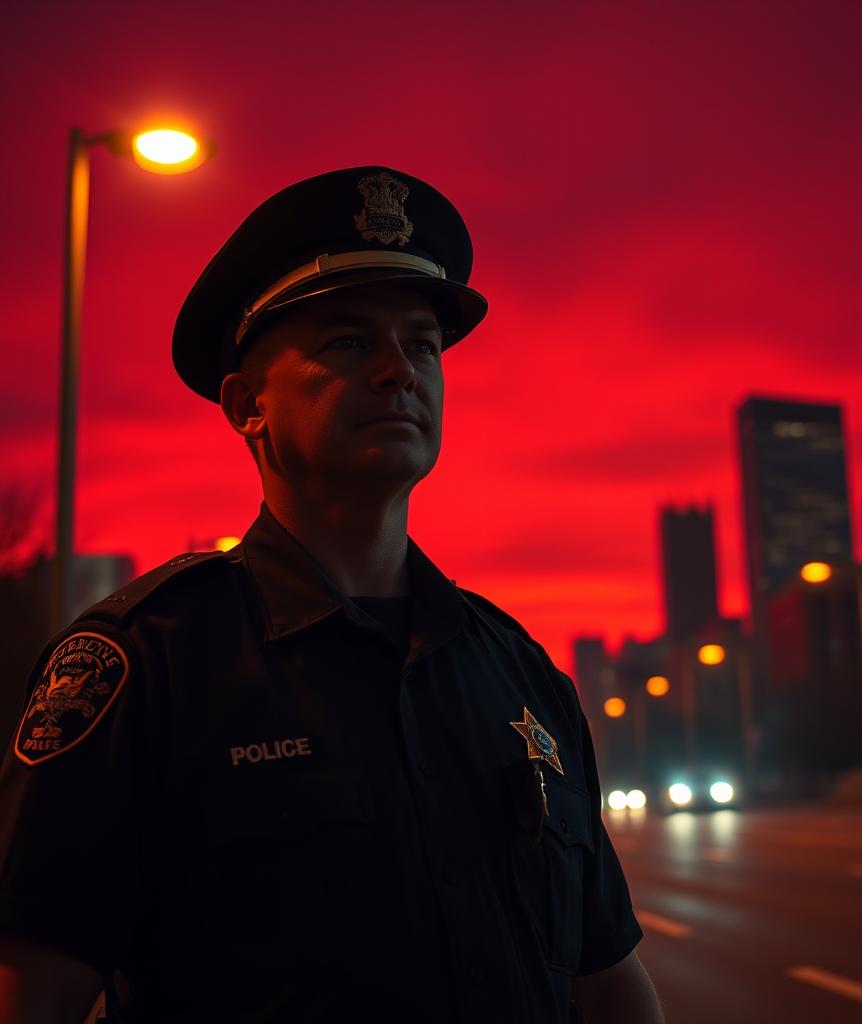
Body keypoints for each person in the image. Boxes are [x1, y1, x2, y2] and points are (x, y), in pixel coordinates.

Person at [0, 166, 664, 1023]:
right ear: (247, 405)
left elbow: (610, 984)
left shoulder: (518, 674)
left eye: (421, 343)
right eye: (348, 342)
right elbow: (32, 998)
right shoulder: (143, 664)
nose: (399, 371)